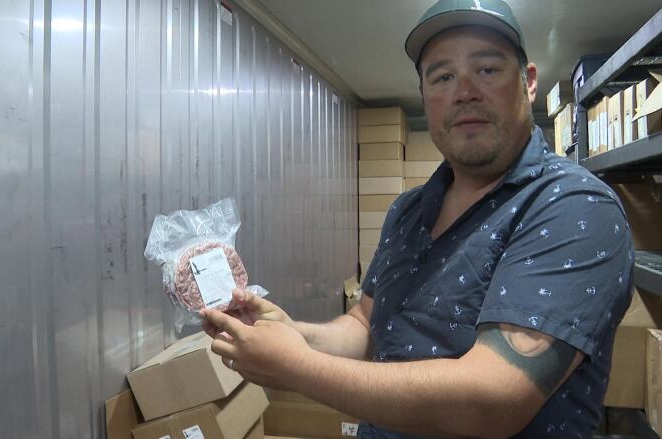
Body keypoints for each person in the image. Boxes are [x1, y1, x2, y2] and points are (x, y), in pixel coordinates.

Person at [201, 0, 634, 437]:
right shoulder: (407, 212)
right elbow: (366, 325)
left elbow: (493, 400)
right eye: (442, 77)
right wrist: (294, 335)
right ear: (425, 97)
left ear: (529, 82)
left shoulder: (573, 206)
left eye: (487, 69)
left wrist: (297, 367)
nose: (464, 91)